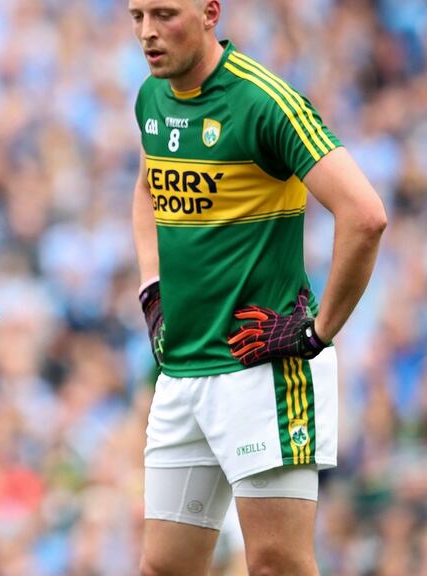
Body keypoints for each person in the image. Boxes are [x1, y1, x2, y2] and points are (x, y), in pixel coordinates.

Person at [128, 1, 388, 574]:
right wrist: (151, 289)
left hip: (263, 372)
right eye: (136, 15)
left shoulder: (264, 100)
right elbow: (147, 190)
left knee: (276, 564)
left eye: (164, 14)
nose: (147, 32)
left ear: (210, 13)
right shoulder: (151, 96)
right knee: (163, 567)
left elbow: (365, 215)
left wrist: (317, 332)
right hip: (182, 373)